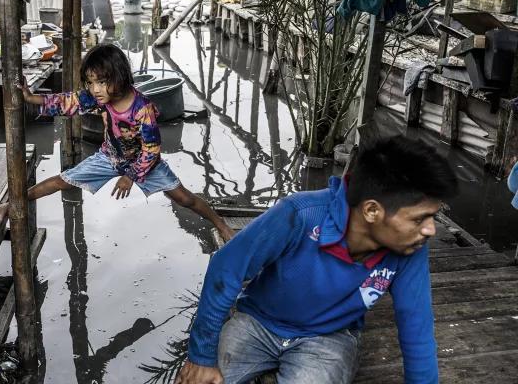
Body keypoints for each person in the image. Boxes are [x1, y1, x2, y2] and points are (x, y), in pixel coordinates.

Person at [177, 136, 458, 384]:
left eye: (433, 217)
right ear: (372, 211)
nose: (431, 229)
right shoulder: (301, 214)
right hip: (258, 323)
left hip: (329, 337)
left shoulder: (410, 248)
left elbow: (417, 327)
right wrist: (201, 357)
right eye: (420, 218)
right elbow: (225, 270)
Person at [0, 43, 235, 242]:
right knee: (60, 181)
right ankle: (11, 205)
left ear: (119, 77)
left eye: (101, 81)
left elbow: (151, 150)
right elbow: (69, 102)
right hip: (111, 157)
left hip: (144, 163)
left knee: (184, 199)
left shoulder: (143, 109)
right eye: (91, 82)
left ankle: (221, 225)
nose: (95, 89)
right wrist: (32, 98)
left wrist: (130, 176)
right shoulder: (99, 98)